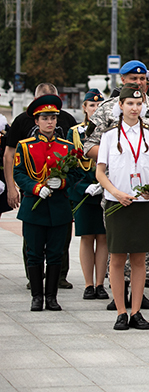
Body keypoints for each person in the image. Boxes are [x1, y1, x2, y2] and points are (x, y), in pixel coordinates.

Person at [83, 60, 149, 309]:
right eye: (133, 79)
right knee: (119, 244)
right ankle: (119, 295)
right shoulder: (106, 110)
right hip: (117, 187)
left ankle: (138, 294)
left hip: (148, 190)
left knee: (145, 242)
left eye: (143, 79)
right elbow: (88, 145)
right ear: (122, 80)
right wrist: (117, 154)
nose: (139, 83)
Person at [95, 85, 149, 330]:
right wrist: (114, 192)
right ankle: (121, 311)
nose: (134, 108)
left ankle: (136, 311)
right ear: (121, 106)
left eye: (138, 104)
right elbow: (100, 171)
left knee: (138, 258)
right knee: (116, 258)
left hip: (143, 203)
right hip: (117, 202)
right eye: (130, 104)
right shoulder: (109, 136)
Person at [5, 83, 78, 290]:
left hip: (58, 202)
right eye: (44, 118)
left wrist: (62, 182)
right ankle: (36, 289)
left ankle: (55, 287)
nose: (50, 121)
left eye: (52, 117)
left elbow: (74, 169)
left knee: (58, 247)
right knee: (33, 248)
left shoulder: (66, 144)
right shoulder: (25, 142)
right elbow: (15, 164)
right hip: (33, 200)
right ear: (35, 119)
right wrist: (30, 187)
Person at [67, 89, 109, 301]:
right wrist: (81, 187)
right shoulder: (74, 132)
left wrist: (105, 183)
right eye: (91, 105)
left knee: (103, 238)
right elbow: (70, 164)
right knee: (86, 237)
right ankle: (88, 283)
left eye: (99, 105)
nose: (95, 108)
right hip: (83, 192)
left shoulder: (109, 131)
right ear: (84, 107)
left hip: (105, 190)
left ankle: (100, 283)